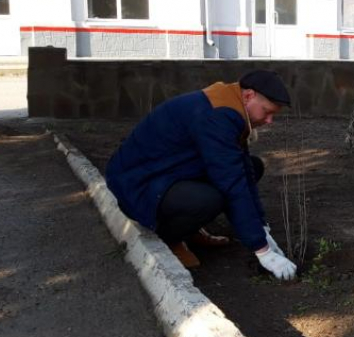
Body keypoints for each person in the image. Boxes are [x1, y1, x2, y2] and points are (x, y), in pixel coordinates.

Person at [105, 70, 298, 280]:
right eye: (267, 112)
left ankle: (191, 228)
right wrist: (263, 251)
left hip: (167, 172)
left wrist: (262, 227)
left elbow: (241, 170)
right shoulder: (218, 116)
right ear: (249, 96)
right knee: (211, 199)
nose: (269, 120)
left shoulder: (229, 105)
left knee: (252, 166)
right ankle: (169, 238)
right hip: (138, 184)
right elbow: (232, 182)